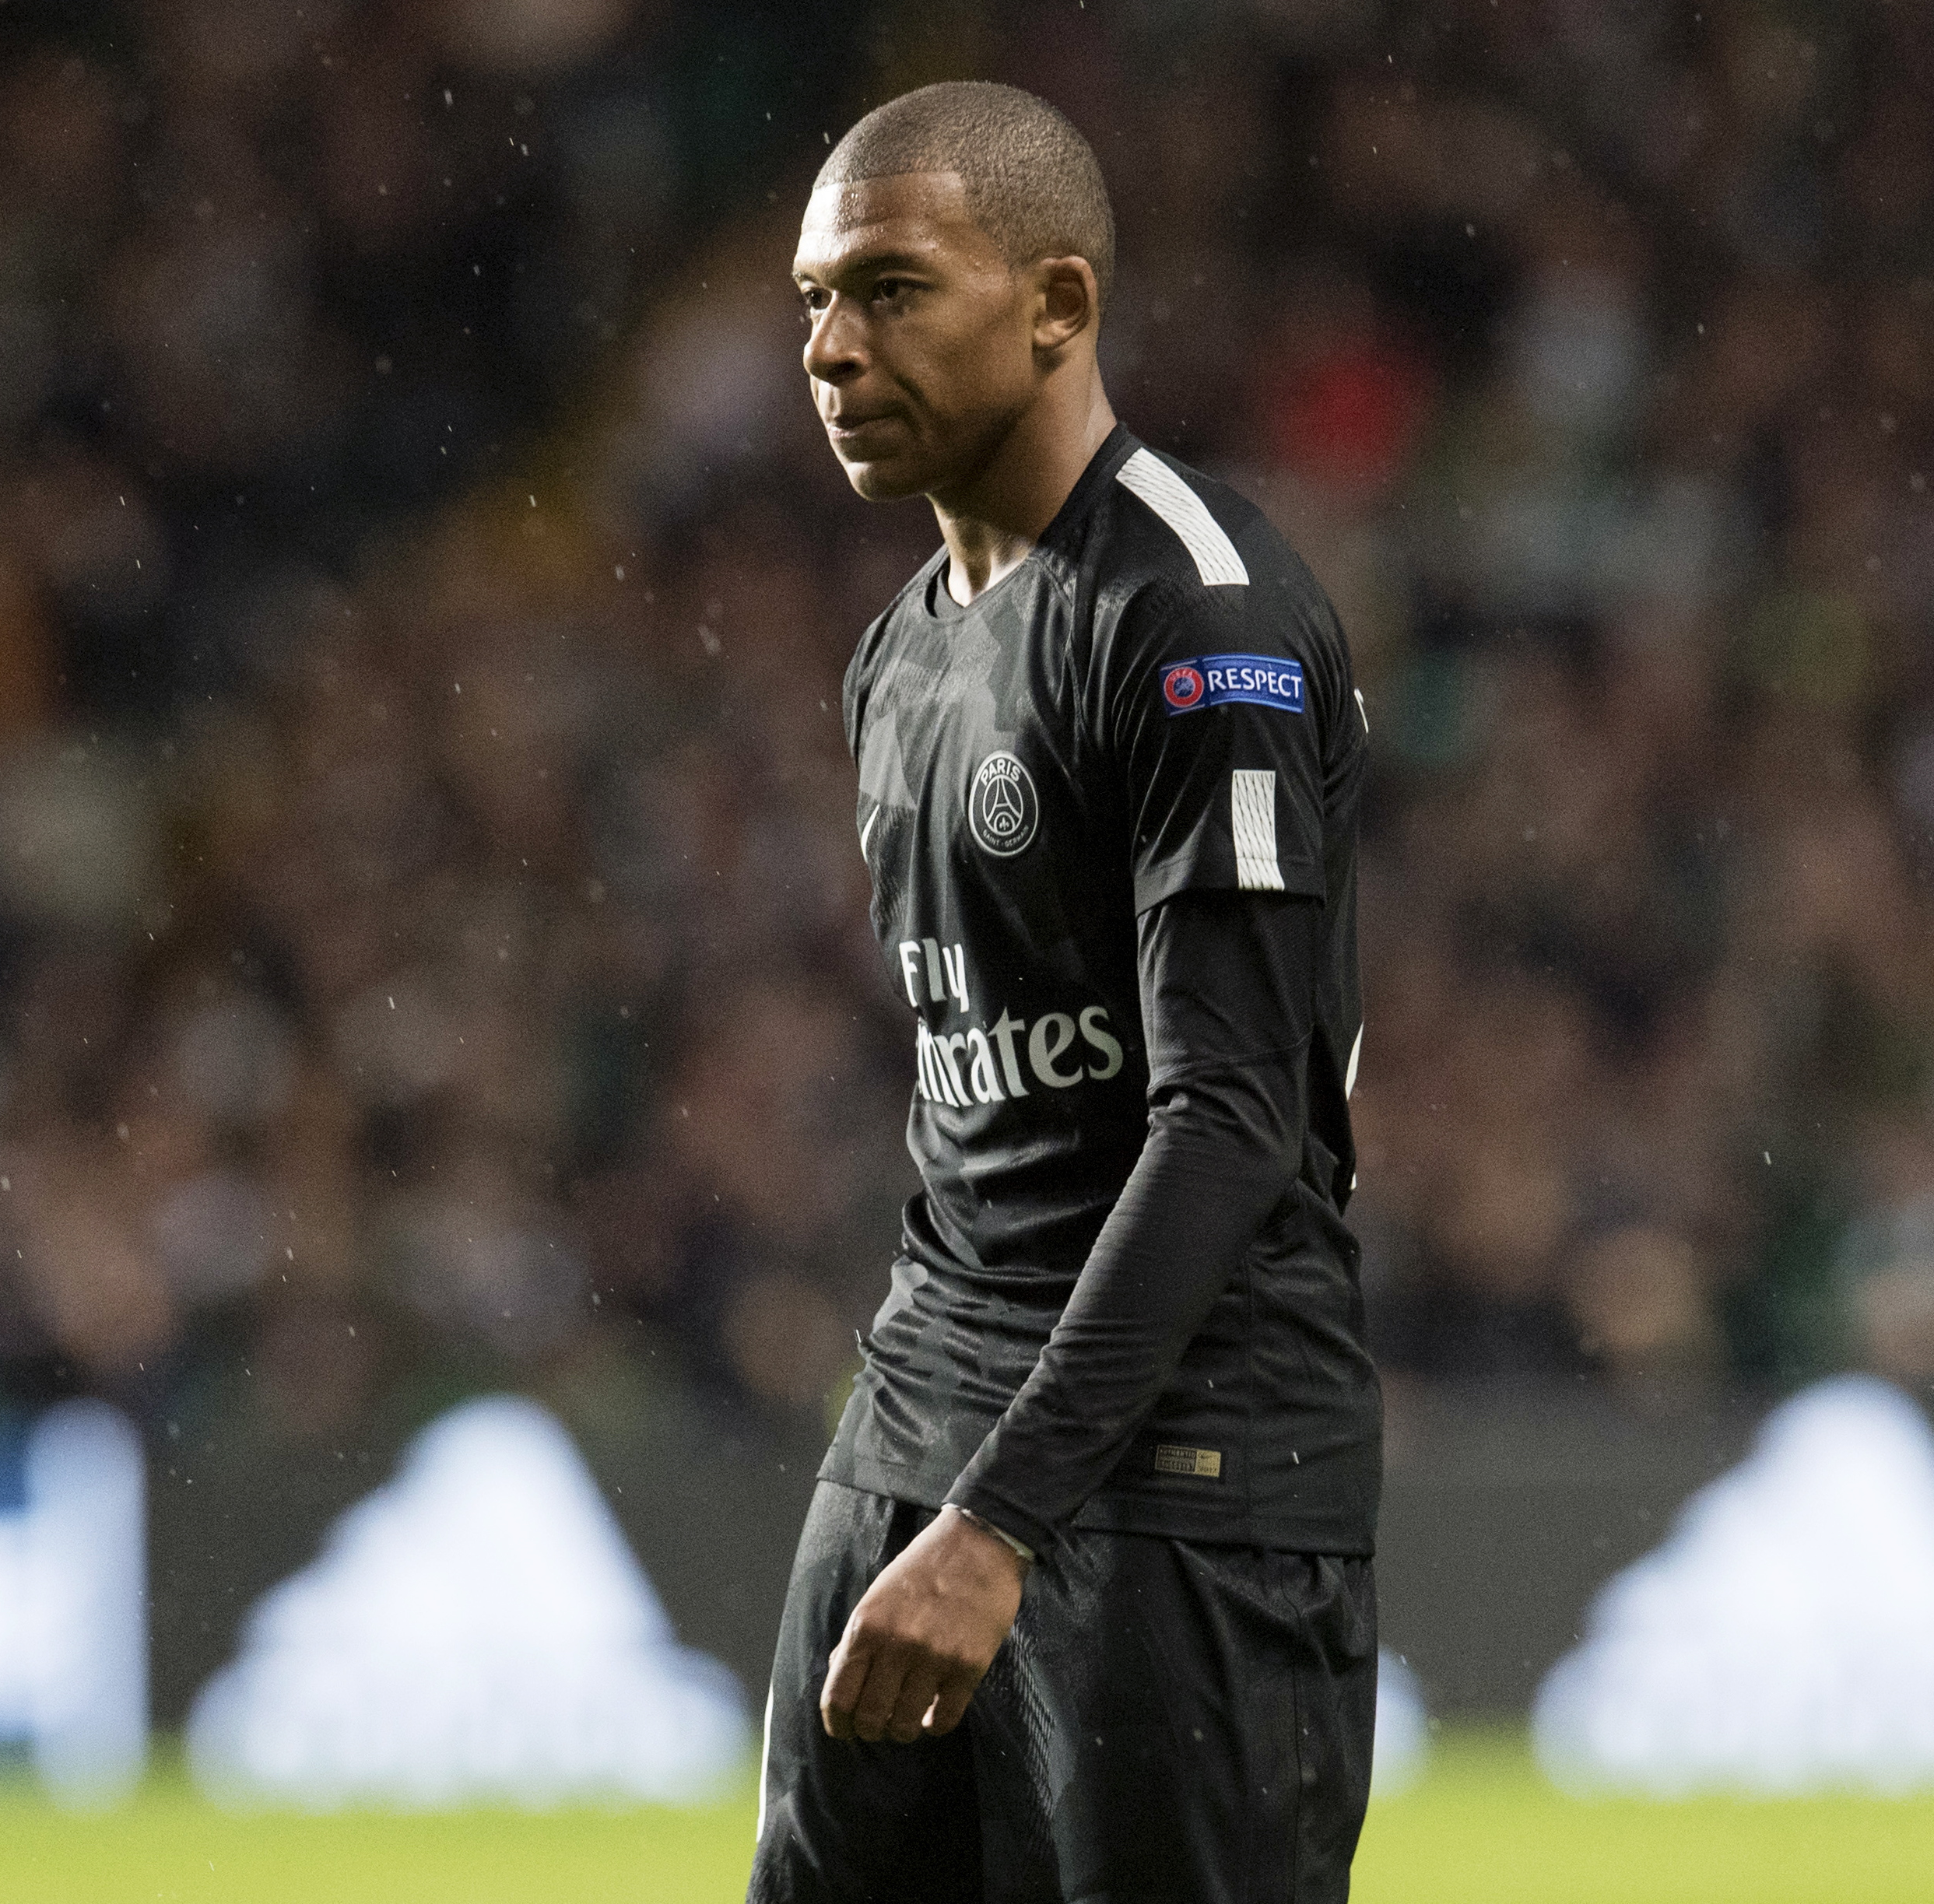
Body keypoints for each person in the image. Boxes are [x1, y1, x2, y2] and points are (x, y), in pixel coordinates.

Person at [751, 82, 1380, 1902]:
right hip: (922, 1436)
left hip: (1184, 1482)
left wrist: (998, 1519)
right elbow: (987, 1096)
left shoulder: (1200, 623)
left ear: (1057, 306)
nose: (828, 347)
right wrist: (928, 1480)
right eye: (811, 300)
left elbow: (1233, 1119)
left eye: (888, 289)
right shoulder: (899, 651)